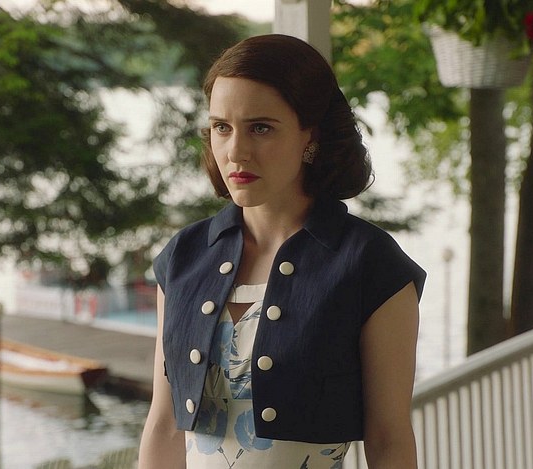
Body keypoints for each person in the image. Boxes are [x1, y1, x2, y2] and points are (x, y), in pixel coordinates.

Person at [138, 34, 426, 468]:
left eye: (261, 127)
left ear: (312, 135)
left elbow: (389, 439)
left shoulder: (370, 264)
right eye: (222, 127)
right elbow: (163, 425)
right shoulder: (183, 257)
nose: (236, 152)